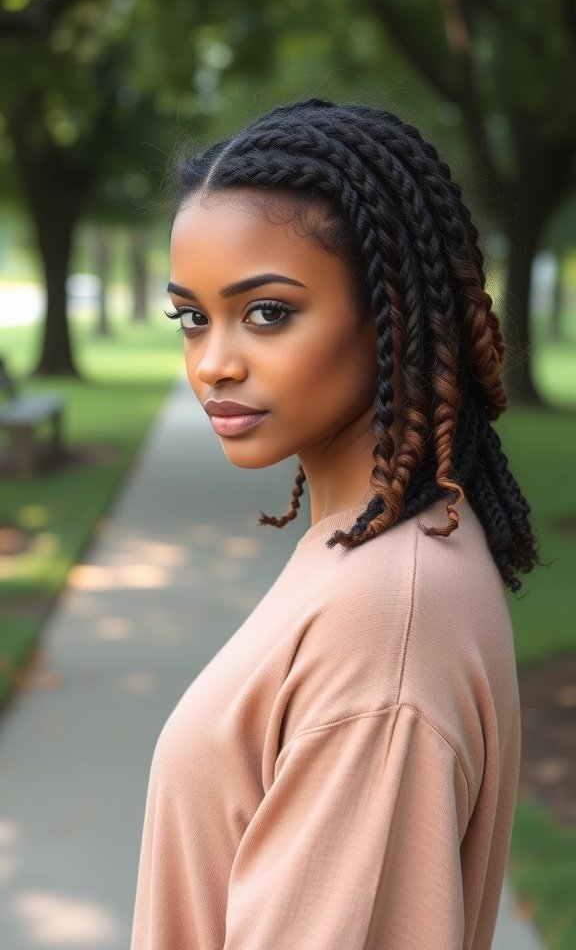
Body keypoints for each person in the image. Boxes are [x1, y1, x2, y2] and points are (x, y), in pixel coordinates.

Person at [130, 98, 538, 950]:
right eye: (192, 317)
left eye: (268, 311)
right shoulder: (372, 548)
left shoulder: (386, 620)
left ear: (391, 315)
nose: (213, 362)